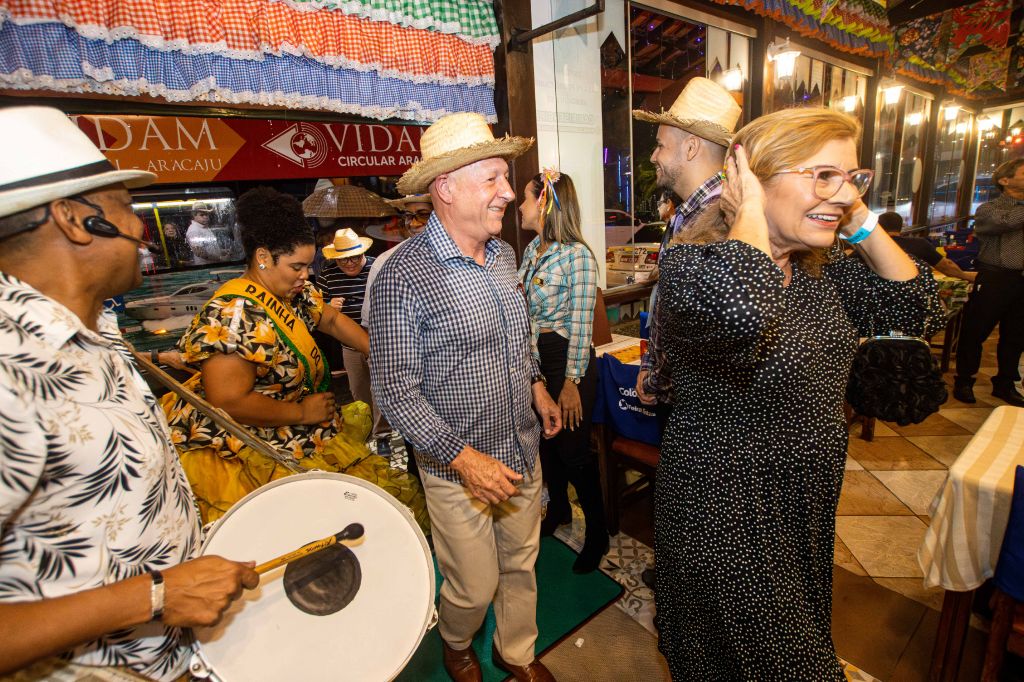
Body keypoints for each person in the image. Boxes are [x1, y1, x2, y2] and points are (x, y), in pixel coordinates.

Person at [652, 108, 942, 679]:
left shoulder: (821, 275)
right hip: (726, 510)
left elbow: (917, 309)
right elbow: (741, 312)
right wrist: (748, 211)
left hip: (804, 500)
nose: (844, 194)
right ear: (752, 179)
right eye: (822, 175)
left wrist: (858, 219)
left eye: (852, 178)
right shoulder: (692, 267)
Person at [0, 106, 257, 680]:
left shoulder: (94, 333)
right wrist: (153, 596)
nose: (141, 226)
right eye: (124, 205)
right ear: (77, 221)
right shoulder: (11, 368)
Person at [369, 112, 561, 682]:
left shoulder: (503, 256)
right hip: (456, 469)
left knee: (522, 565)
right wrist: (464, 459)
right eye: (493, 179)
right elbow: (394, 390)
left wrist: (537, 387)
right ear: (446, 188)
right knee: (474, 585)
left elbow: (518, 339)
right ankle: (456, 640)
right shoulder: (402, 275)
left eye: (506, 178)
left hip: (520, 448)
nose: (509, 192)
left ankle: (515, 652)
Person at [162, 187, 428, 530]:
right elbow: (227, 400)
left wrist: (381, 354)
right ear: (263, 257)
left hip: (299, 431)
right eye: (297, 266)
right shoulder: (234, 314)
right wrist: (302, 413)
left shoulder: (291, 294)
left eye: (307, 265)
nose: (305, 275)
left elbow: (331, 320)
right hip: (249, 452)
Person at [517, 169, 606, 574]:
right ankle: (560, 512)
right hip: (537, 361)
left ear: (544, 204)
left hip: (569, 360)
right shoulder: (531, 250)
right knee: (547, 446)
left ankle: (598, 533)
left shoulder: (577, 256)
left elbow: (582, 325)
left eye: (526, 198)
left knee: (573, 451)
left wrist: (571, 383)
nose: (520, 206)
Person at [632, 76, 742, 404]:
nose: (653, 156)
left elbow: (697, 332)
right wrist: (651, 366)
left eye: (661, 145)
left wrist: (657, 381)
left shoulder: (726, 220)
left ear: (691, 147)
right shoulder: (688, 213)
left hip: (700, 406)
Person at [953, 157, 1024, 406]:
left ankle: (1005, 383)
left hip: (1022, 280)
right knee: (975, 331)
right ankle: (964, 380)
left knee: (1016, 335)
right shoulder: (989, 209)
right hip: (995, 277)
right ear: (1005, 180)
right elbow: (1005, 223)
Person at [316, 228, 392, 453]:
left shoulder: (377, 267)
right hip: (348, 345)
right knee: (358, 390)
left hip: (379, 342)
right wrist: (328, 306)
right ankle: (366, 429)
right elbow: (316, 308)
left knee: (380, 390)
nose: (350, 263)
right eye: (344, 259)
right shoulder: (328, 275)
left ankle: (383, 436)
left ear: (362, 253)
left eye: (355, 258)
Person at [877, 211, 976, 282]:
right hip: (914, 293)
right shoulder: (919, 244)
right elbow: (946, 266)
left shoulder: (875, 246)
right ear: (900, 227)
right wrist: (965, 275)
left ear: (879, 227)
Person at [185, 200, 221, 264]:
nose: (205, 217)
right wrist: (220, 258)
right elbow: (200, 253)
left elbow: (210, 248)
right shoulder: (194, 231)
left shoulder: (205, 227)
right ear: (194, 216)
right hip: (205, 266)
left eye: (206, 214)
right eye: (202, 215)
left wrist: (222, 251)